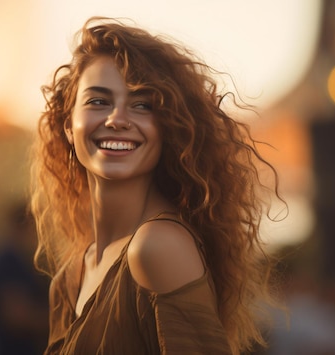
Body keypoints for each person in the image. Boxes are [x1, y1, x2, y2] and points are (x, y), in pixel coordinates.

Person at [30, 16, 279, 355]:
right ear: (68, 127)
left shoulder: (158, 247)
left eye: (142, 105)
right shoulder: (68, 280)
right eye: (98, 101)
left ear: (167, 129)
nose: (117, 119)